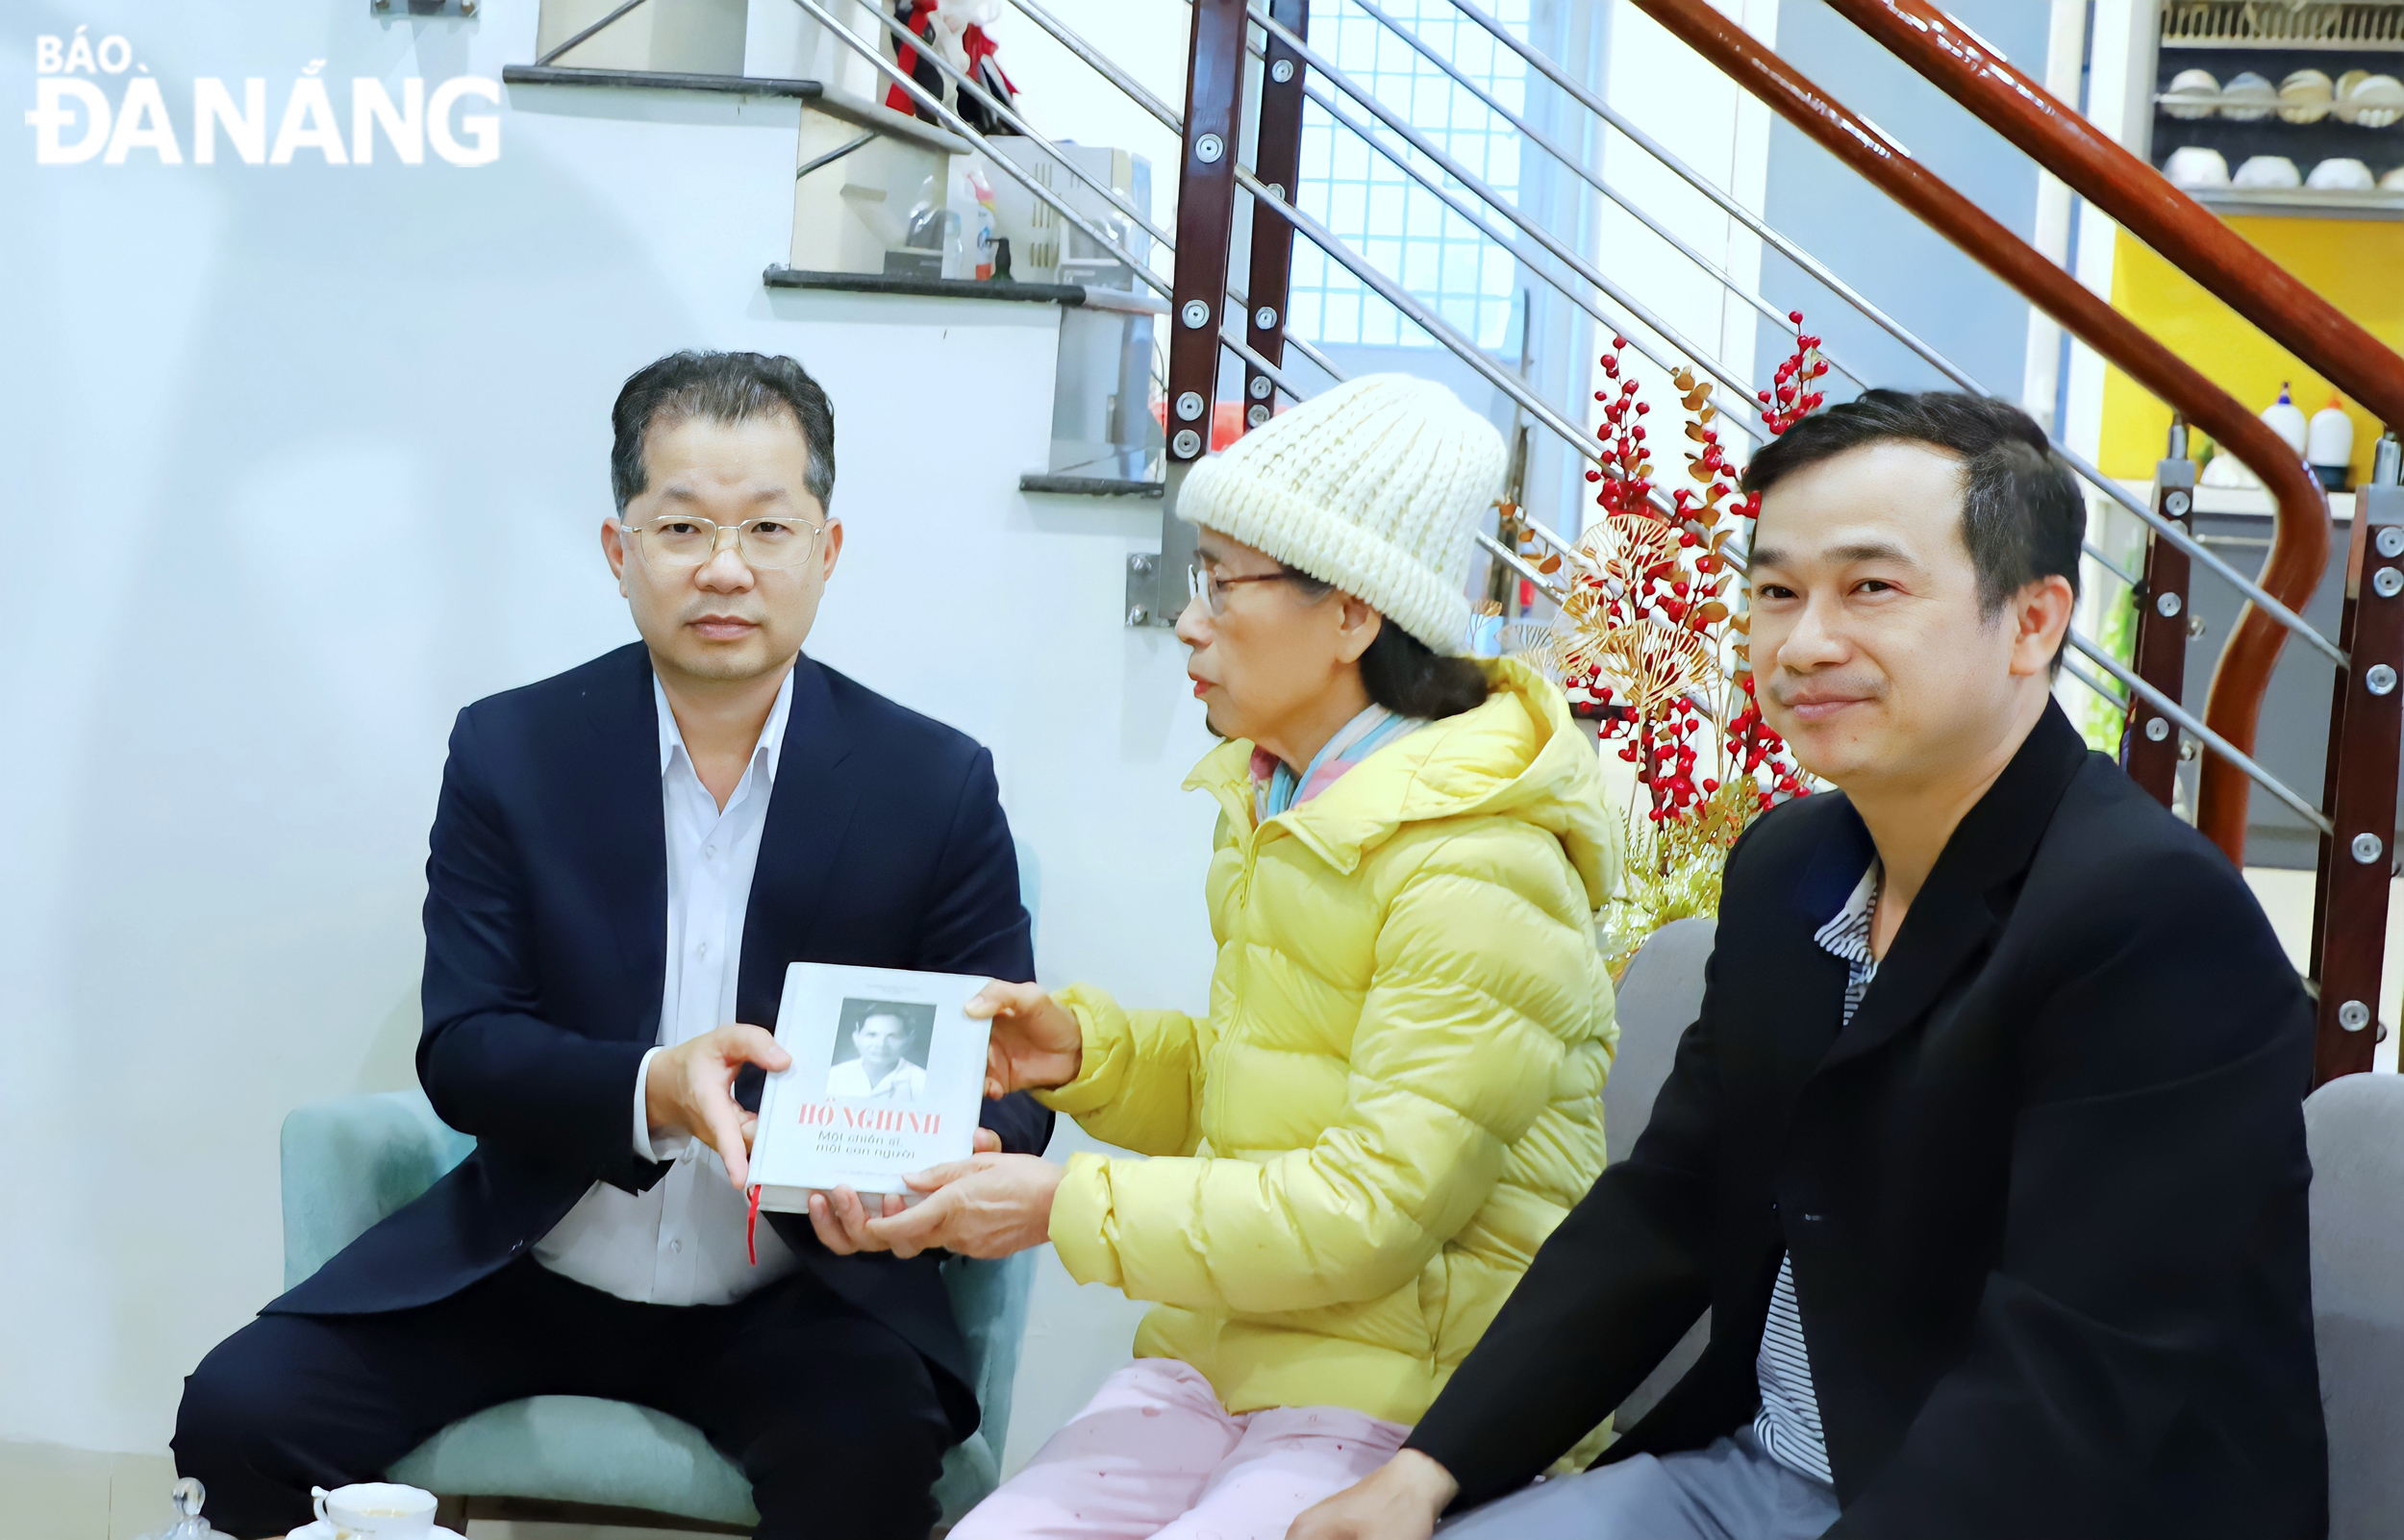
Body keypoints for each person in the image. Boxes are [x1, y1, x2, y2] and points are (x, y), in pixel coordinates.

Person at [1289, 389, 2328, 1540]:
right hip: (1760, 1476)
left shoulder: (2152, 918)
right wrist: (1428, 1469)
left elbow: (2068, 1381)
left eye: (1870, 587)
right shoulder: (1791, 867)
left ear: (2033, 622)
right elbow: (1668, 1205)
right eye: (1776, 591)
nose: (1803, 642)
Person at [171, 350, 1052, 1540]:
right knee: (237, 1414)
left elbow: (1013, 1097)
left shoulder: (932, 784)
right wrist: (652, 1089)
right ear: (619, 549)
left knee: (872, 1456)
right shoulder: (511, 752)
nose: (725, 568)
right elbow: (467, 1049)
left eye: (767, 529)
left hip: (796, 1291)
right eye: (682, 526)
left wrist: (922, 1178)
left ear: (825, 551)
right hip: (532, 1266)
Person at [857, 374, 1624, 1540]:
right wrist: (1084, 1055)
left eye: (1223, 581)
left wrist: (1061, 1203)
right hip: (1230, 1356)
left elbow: (1372, 1208)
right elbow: (1263, 1092)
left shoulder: (1479, 865)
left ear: (1353, 614)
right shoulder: (1285, 795)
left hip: (1409, 1391)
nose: (1189, 618)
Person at [828, 1007, 929, 1101]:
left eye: (892, 1036)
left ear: (909, 1040)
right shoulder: (834, 1076)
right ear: (856, 1038)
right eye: (872, 1035)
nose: (881, 1044)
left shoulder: (923, 1083)